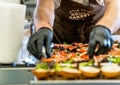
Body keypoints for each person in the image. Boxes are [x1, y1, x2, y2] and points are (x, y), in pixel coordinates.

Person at [27, 0, 120, 60]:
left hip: (98, 44)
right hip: (59, 49)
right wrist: (43, 27)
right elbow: (44, 7)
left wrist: (105, 27)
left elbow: (115, 5)